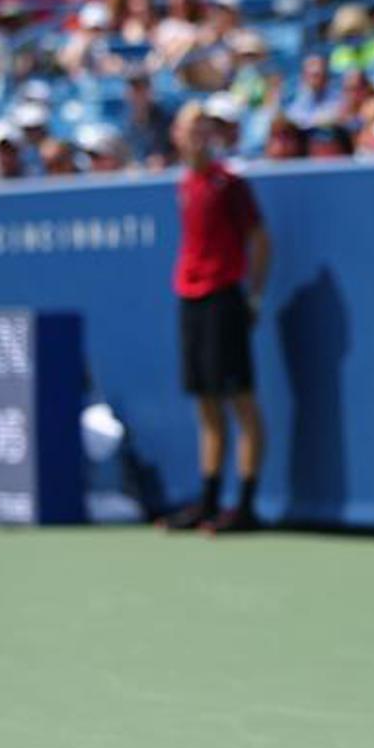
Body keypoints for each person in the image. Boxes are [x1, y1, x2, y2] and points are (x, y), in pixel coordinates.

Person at [159, 104, 271, 535]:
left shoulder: (230, 184)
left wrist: (254, 296)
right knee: (205, 403)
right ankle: (208, 502)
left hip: (225, 299)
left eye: (204, 129)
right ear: (176, 135)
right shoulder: (184, 184)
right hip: (191, 299)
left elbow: (260, 240)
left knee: (240, 401)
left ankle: (246, 506)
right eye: (190, 128)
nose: (197, 136)